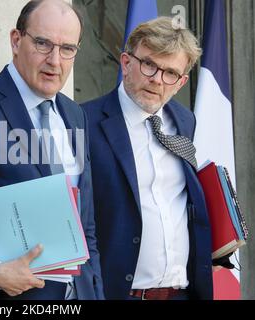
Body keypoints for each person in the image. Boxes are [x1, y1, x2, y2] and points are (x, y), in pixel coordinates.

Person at [0, 0, 103, 300]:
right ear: (16, 40)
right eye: (43, 44)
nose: (55, 60)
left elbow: (85, 221)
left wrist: (94, 291)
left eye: (67, 48)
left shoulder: (75, 115)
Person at [82, 17, 214, 300]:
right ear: (127, 63)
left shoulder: (184, 121)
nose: (157, 79)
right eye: (149, 65)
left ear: (181, 83)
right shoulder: (83, 123)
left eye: (170, 73)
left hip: (181, 293)